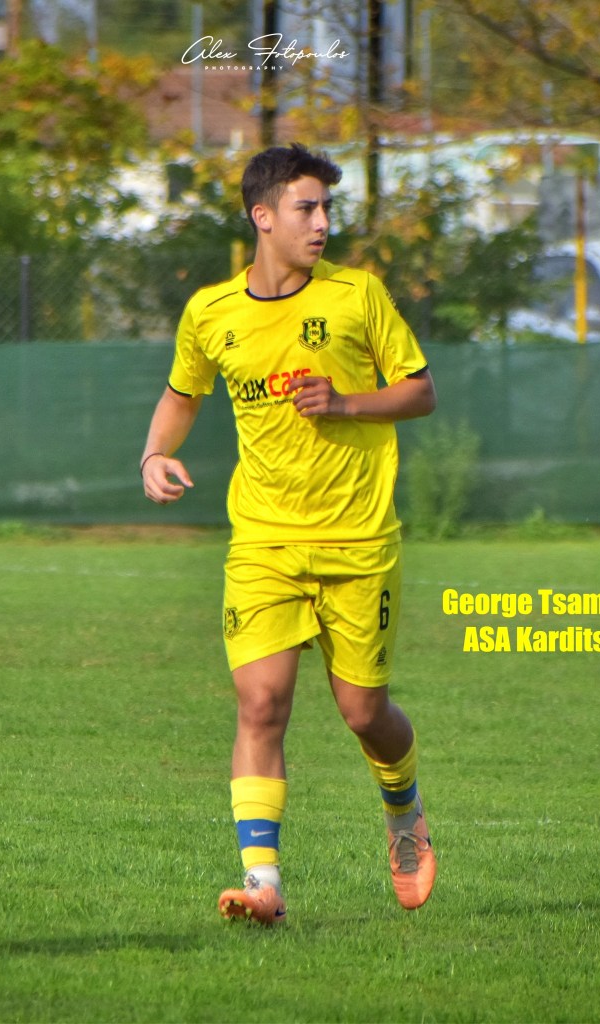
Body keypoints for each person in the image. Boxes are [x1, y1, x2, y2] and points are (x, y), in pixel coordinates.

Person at [140, 142, 438, 925]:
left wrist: (344, 403)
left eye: (327, 208)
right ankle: (263, 883)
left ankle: (403, 809)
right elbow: (181, 394)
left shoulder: (357, 295)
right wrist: (154, 452)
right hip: (263, 542)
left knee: (363, 714)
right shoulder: (211, 312)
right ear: (262, 216)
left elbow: (419, 392)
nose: (322, 223)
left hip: (357, 541)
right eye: (306, 208)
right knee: (260, 704)